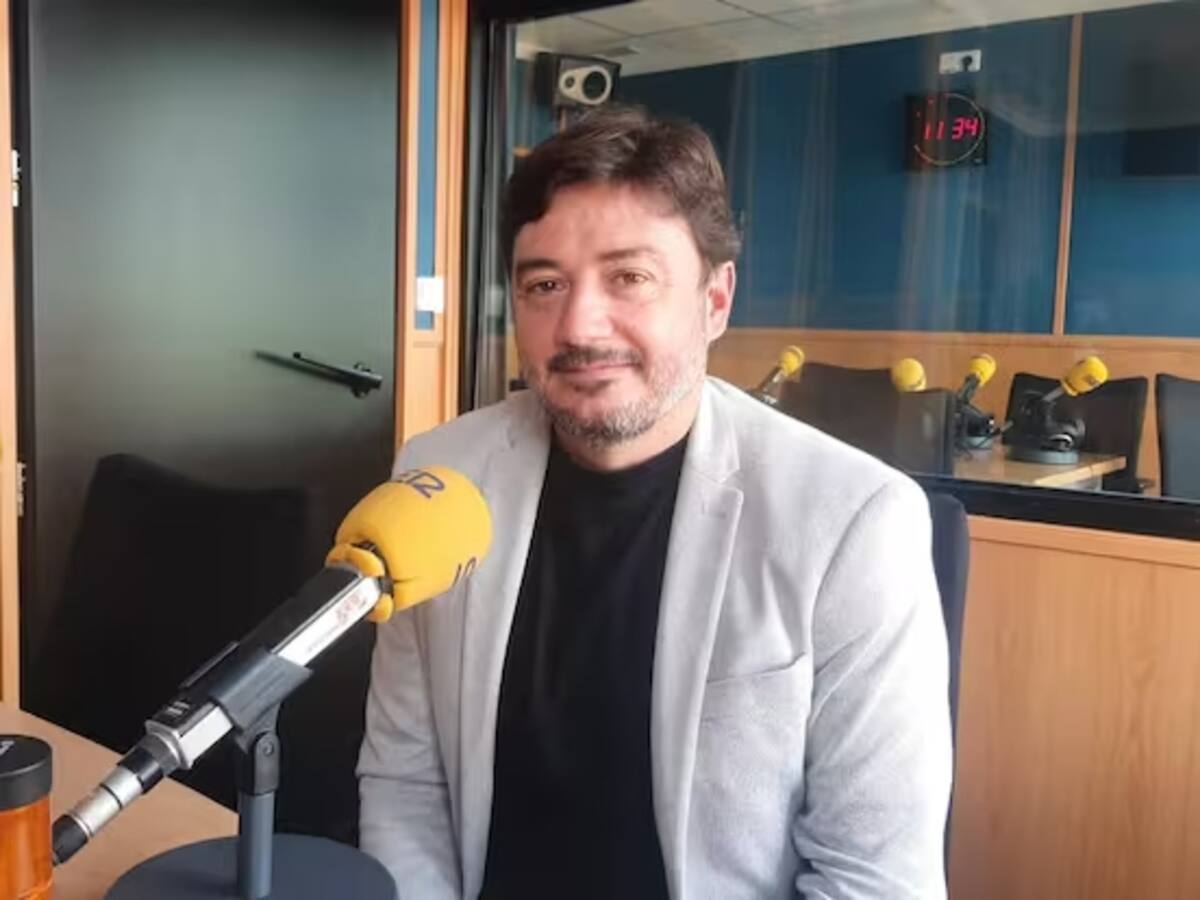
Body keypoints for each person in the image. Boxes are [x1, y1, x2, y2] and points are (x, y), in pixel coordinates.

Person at [358, 106, 951, 899]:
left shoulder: (852, 522)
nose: (579, 324)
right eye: (544, 284)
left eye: (629, 277)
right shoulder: (438, 476)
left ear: (715, 299)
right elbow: (405, 779)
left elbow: (873, 878)